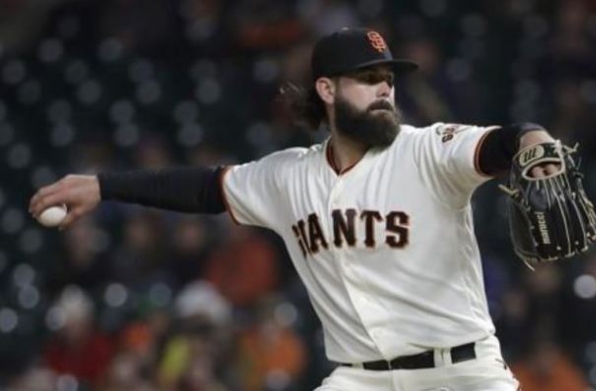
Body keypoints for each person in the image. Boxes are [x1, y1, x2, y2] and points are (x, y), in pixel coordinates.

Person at [30, 27, 562, 390]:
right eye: (368, 78)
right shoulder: (288, 176)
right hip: (361, 377)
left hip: (462, 372)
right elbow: (203, 189)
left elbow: (504, 141)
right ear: (327, 89)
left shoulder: (427, 149)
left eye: (389, 79)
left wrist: (535, 145)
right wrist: (102, 186)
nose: (384, 89)